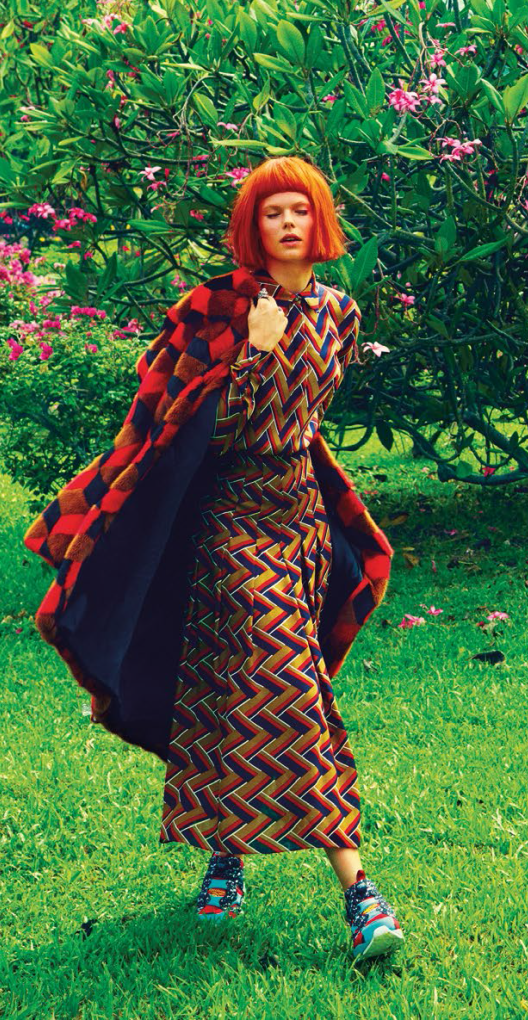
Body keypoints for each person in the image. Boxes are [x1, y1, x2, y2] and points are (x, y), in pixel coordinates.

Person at [158, 156, 404, 959]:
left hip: (298, 514)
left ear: (320, 221)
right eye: (273, 212)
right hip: (232, 517)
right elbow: (208, 434)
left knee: (244, 684)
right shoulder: (224, 311)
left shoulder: (340, 312)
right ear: (252, 228)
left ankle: (225, 858)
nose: (289, 223)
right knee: (287, 683)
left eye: (302, 209)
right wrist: (255, 351)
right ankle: (361, 894)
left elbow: (309, 416)